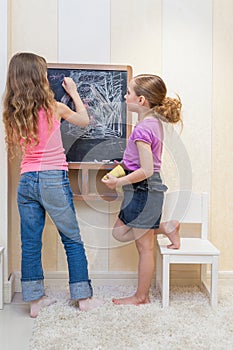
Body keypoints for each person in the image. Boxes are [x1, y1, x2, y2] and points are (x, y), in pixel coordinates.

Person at [3, 52, 103, 317]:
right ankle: (83, 298)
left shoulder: (12, 113)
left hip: (27, 181)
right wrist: (73, 92)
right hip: (53, 179)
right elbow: (84, 121)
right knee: (71, 239)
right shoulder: (53, 107)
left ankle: (35, 302)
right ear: (39, 77)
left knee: (31, 242)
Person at [102, 74, 181, 305]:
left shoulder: (143, 129)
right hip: (142, 189)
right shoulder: (152, 123)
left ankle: (141, 297)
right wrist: (117, 173)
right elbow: (132, 162)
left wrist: (118, 182)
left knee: (144, 246)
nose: (125, 96)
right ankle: (167, 227)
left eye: (128, 92)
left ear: (142, 100)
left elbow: (146, 169)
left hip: (145, 189)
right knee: (120, 233)